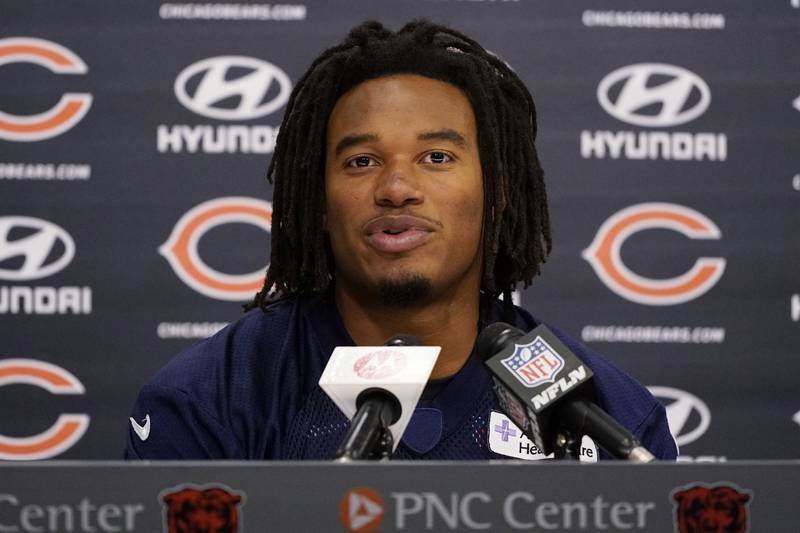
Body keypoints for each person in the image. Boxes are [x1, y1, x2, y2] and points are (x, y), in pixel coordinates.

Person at [125, 20, 677, 460]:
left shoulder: (612, 419)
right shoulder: (207, 401)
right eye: (361, 161)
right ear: (318, 202)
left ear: (499, 192)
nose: (396, 188)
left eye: (437, 158)